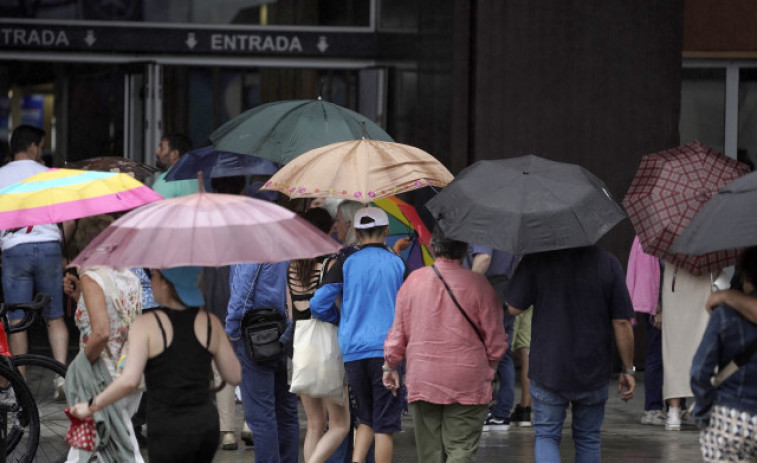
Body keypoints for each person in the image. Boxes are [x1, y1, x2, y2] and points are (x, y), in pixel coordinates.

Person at [70, 266, 241, 463]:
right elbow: (234, 375)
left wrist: (92, 405)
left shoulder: (147, 325)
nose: (151, 282)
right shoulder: (211, 323)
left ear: (168, 286)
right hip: (204, 422)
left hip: (168, 425)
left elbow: (129, 381)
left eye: (156, 277)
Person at [383, 227, 506, 462]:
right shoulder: (480, 286)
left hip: (423, 377)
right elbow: (496, 341)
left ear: (432, 247)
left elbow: (398, 333)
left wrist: (390, 366)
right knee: (460, 449)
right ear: (464, 250)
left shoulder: (413, 282)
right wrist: (489, 368)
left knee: (430, 454)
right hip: (468, 380)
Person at [506, 246, 636, 462]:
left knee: (547, 436)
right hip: (593, 368)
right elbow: (621, 321)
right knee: (588, 438)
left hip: (549, 367)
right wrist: (628, 368)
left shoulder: (537, 258)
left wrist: (523, 267)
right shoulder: (608, 262)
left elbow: (514, 308)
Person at [310, 207, 408, 463]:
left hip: (353, 352)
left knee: (365, 417)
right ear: (386, 231)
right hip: (387, 353)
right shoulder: (397, 262)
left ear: (356, 232)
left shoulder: (345, 261)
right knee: (385, 424)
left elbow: (318, 304)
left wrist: (342, 322)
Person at [62, 214, 144, 462]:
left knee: (107, 445)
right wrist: (80, 298)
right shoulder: (128, 275)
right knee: (109, 443)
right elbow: (115, 316)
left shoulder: (92, 276)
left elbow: (100, 332)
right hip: (128, 370)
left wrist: (80, 364)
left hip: (101, 374)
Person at [0, 125, 70, 393]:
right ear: (32, 147)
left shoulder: (1, 175)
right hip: (49, 246)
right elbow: (68, 220)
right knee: (55, 316)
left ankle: (21, 382)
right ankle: (61, 376)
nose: (41, 151)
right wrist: (64, 249)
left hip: (15, 250)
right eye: (40, 146)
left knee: (17, 318)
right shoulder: (50, 175)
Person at [288, 207, 350, 463]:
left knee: (314, 424)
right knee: (340, 424)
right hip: (327, 345)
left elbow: (291, 314)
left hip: (301, 347)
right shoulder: (331, 264)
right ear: (328, 229)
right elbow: (335, 307)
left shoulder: (292, 265)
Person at [226, 253, 299, 463]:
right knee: (286, 409)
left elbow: (243, 293)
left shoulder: (251, 249)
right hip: (283, 329)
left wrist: (231, 331)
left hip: (254, 334)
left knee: (261, 414)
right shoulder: (284, 246)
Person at [691, 246, 757, 463]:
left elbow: (700, 373)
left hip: (729, 417)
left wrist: (702, 412)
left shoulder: (724, 315)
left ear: (745, 275)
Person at [465, 245, 518, 431]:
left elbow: (484, 258)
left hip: (489, 290)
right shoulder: (509, 225)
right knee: (504, 353)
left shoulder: (485, 222)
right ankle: (501, 411)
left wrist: (467, 289)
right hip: (507, 289)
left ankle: (485, 410)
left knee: (482, 352)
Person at [661, 263, 718, 430]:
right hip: (700, 284)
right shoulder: (708, 241)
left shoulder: (669, 240)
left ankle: (674, 411)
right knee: (702, 349)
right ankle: (702, 409)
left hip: (675, 285)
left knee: (674, 350)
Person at [625, 236, 666, 426]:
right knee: (657, 354)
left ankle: (678, 406)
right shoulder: (649, 236)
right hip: (655, 303)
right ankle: (653, 408)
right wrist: (657, 306)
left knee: (676, 355)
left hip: (672, 301)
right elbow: (650, 273)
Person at [150, 133, 198, 198]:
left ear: (174, 154)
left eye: (161, 148)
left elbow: (151, 206)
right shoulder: (195, 179)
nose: (157, 151)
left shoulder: (167, 179)